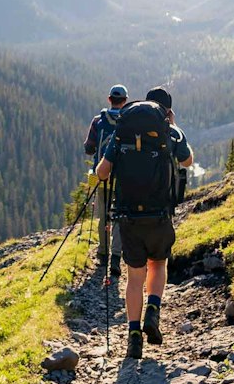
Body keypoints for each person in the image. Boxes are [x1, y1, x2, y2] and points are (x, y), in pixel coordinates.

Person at [94, 85, 192, 360]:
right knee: (158, 264)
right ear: (167, 111)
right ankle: (154, 308)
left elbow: (102, 173)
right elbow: (187, 160)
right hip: (159, 214)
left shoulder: (122, 133)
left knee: (134, 276)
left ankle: (134, 335)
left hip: (128, 216)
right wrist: (174, 127)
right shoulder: (170, 132)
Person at [82, 84, 128, 277]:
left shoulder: (97, 121)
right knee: (118, 215)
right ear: (125, 100)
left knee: (102, 214)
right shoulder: (128, 120)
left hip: (101, 174)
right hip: (123, 177)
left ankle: (103, 252)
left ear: (109, 99)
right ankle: (116, 255)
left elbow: (89, 149)